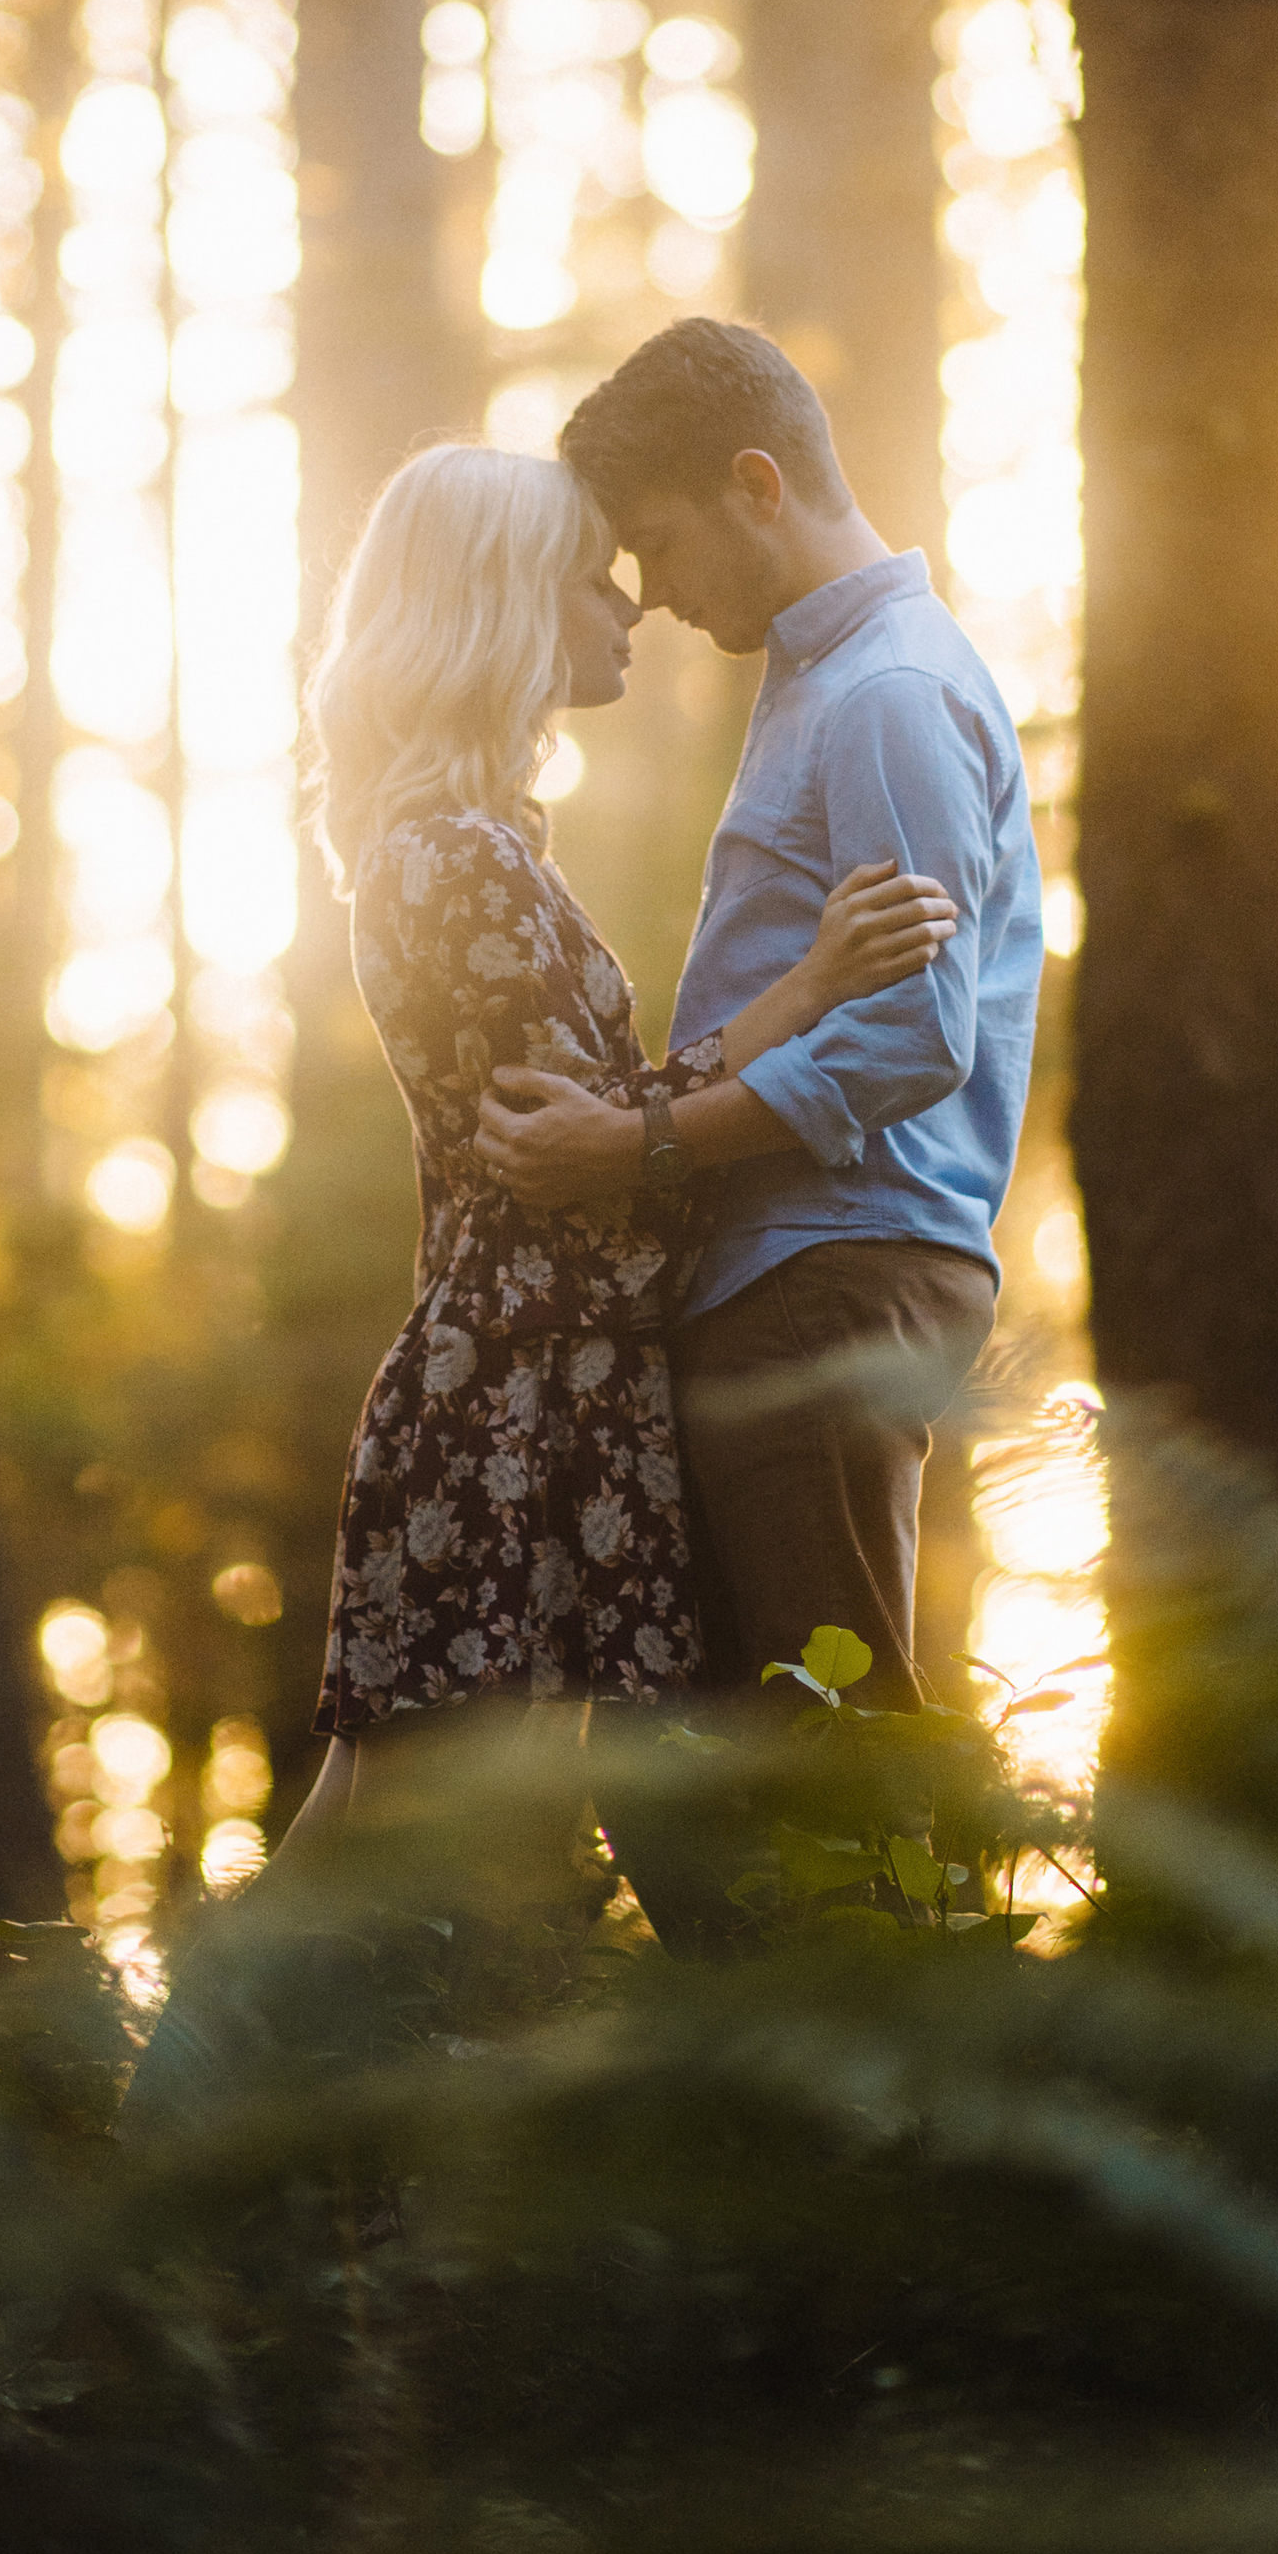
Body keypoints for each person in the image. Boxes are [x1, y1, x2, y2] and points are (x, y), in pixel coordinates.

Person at [168, 442, 957, 1894]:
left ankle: (199, 2119)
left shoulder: (471, 844)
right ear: (505, 603)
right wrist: (810, 989)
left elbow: (597, 1128)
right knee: (380, 1859)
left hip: (555, 1399)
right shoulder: (448, 857)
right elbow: (585, 1164)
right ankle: (161, 2123)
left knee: (421, 1862)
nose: (627, 605)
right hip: (504, 1407)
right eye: (593, 575)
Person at [475, 319, 1044, 1712]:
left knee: (831, 1756)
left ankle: (917, 1941)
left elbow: (916, 1035)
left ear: (757, 484)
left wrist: (632, 1148)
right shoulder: (820, 677)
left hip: (836, 1274)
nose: (652, 591)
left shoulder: (886, 693)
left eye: (659, 543)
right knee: (717, 1765)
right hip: (789, 1276)